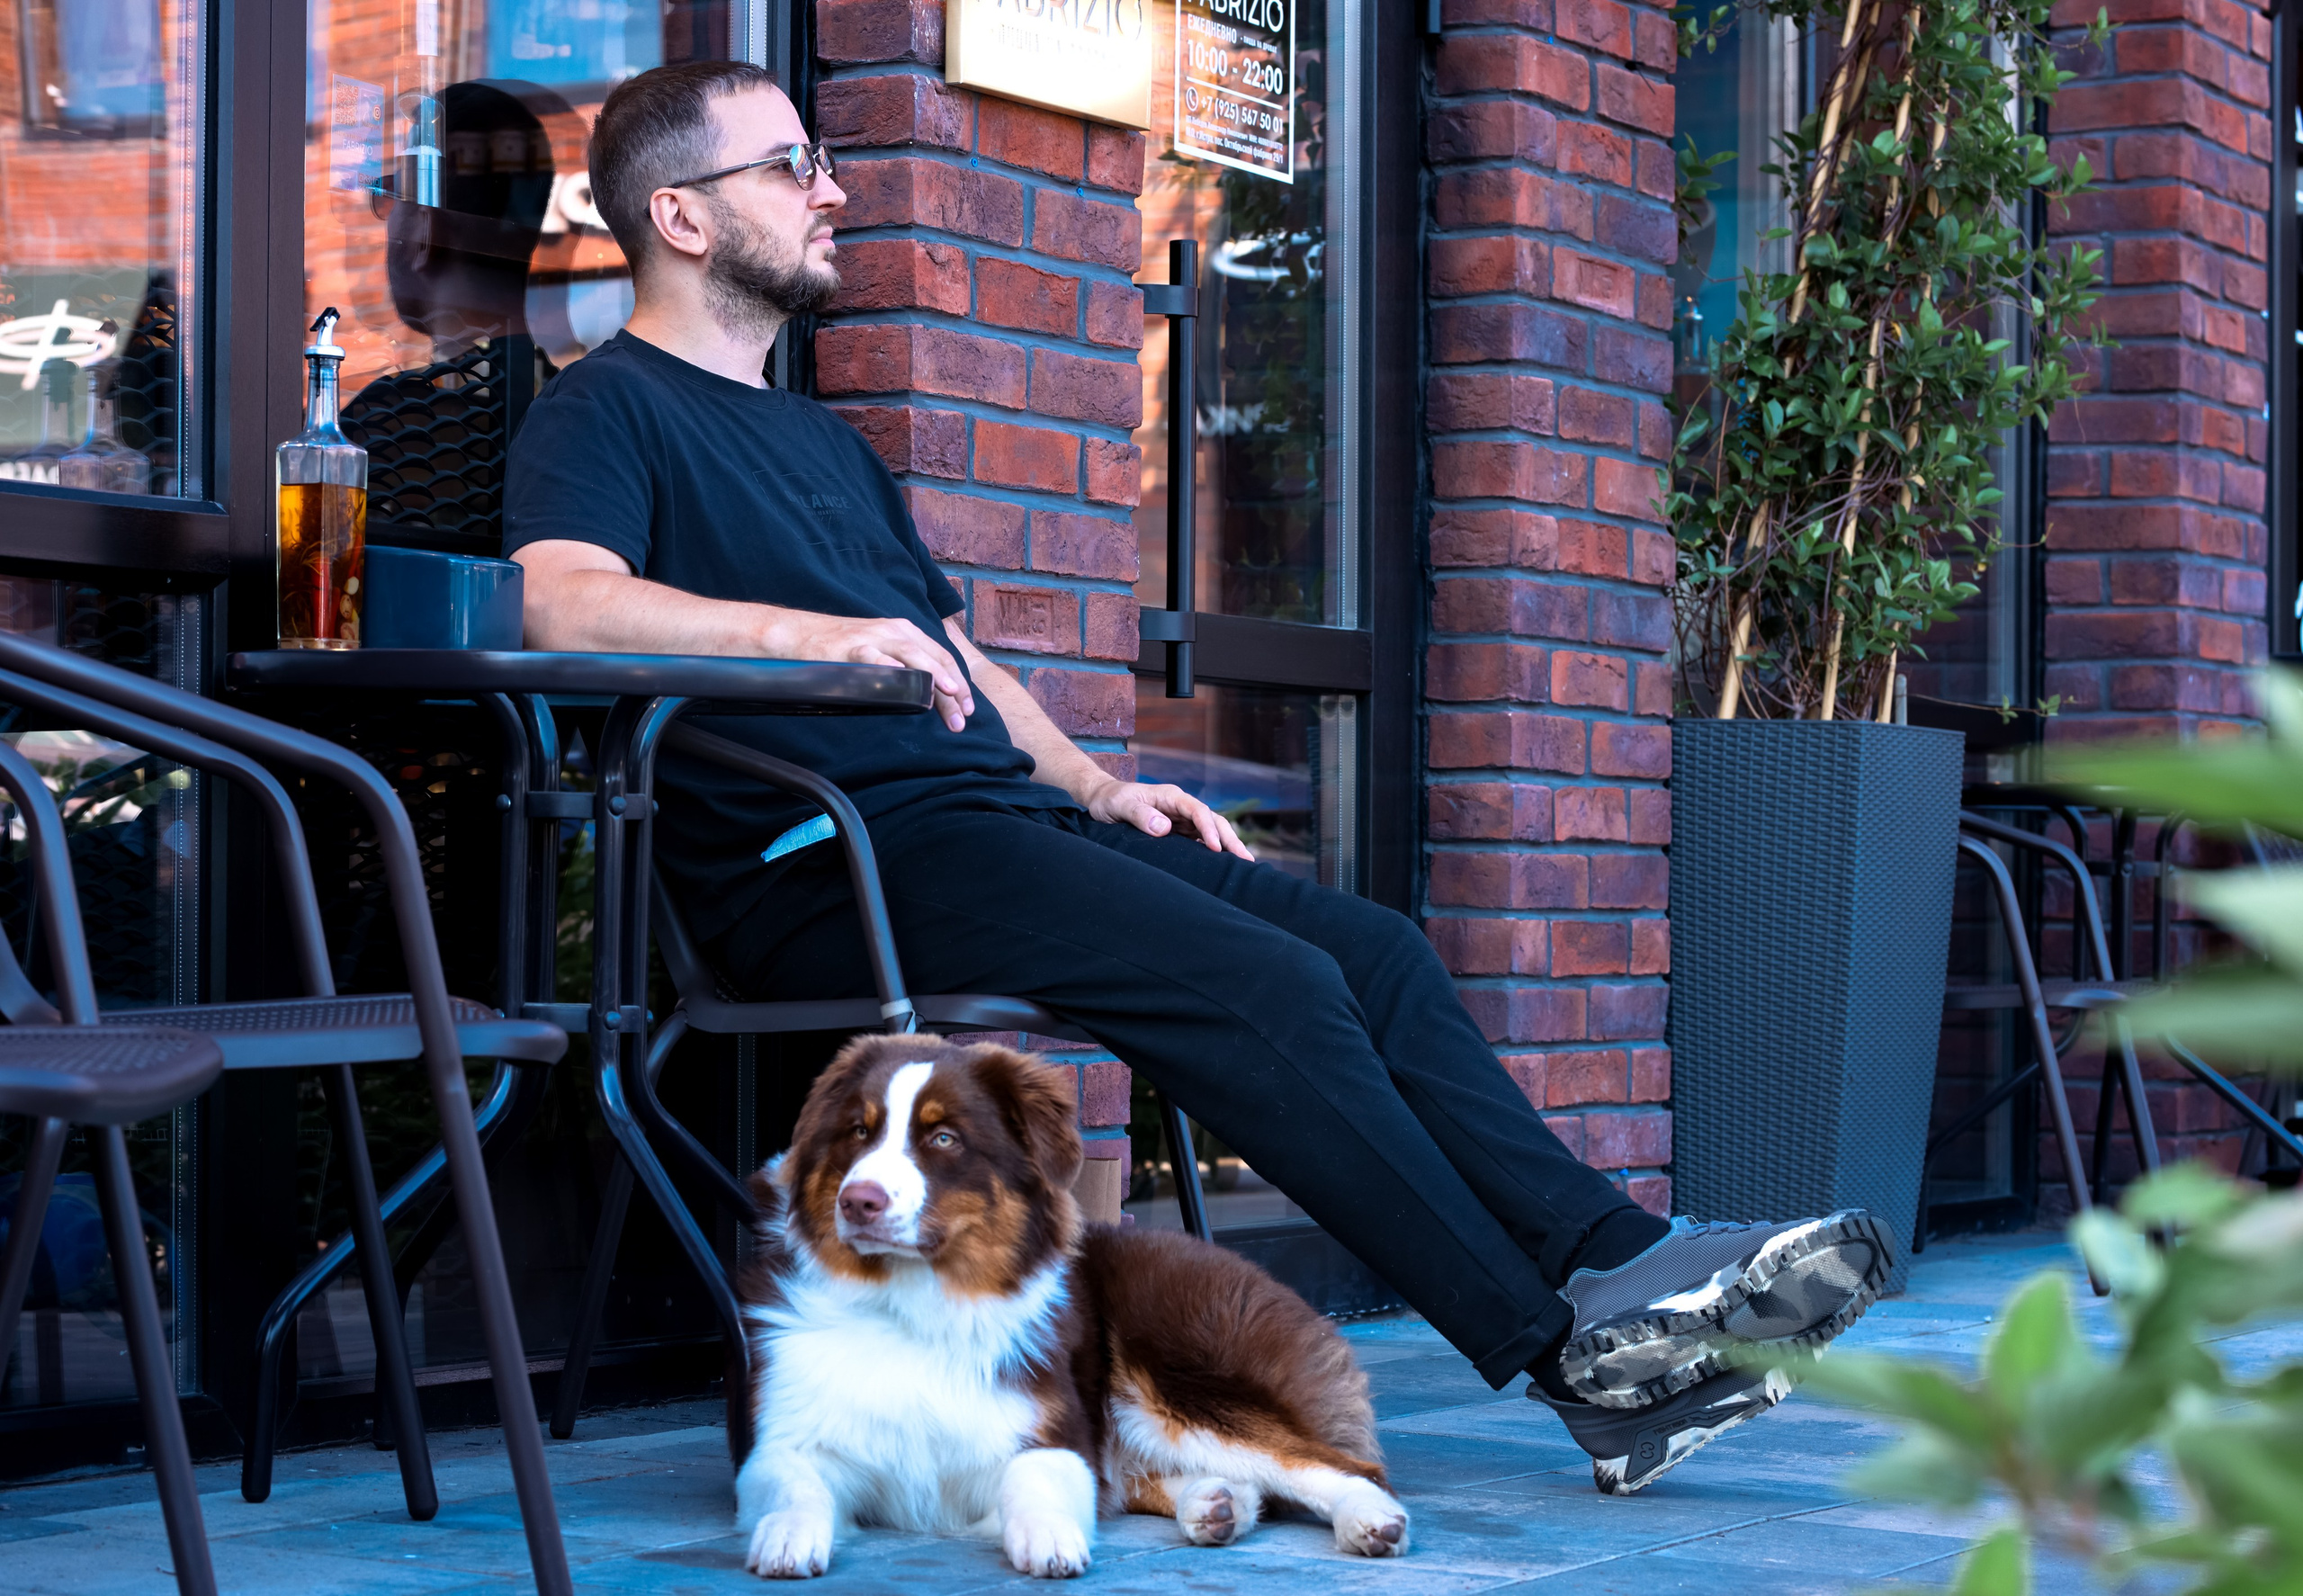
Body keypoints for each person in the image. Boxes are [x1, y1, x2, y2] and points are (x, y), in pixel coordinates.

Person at [503, 59, 1892, 1497]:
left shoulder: (820, 442)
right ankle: (1568, 1360)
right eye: (792, 166)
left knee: (1372, 951)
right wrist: (813, 635)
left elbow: (963, 660)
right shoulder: (605, 410)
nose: (832, 190)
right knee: (1269, 988)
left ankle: (1622, 1254)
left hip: (984, 826)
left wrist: (1095, 784)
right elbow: (556, 598)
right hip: (823, 862)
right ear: (680, 215)